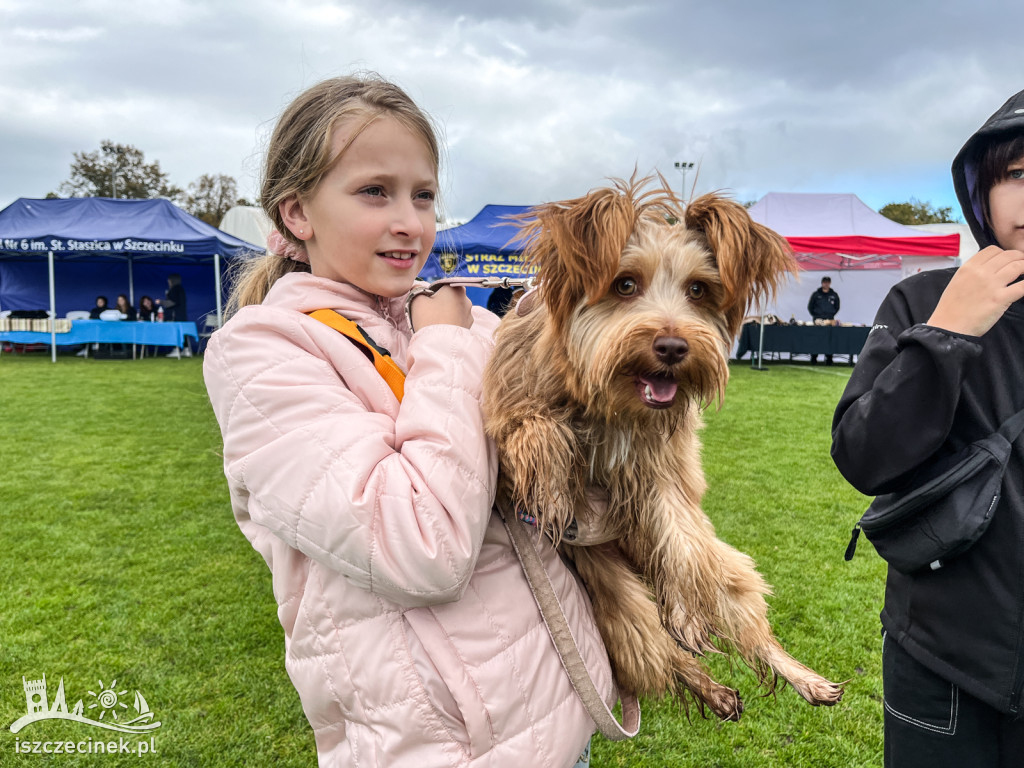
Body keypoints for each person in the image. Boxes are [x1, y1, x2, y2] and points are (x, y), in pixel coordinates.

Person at [202, 74, 614, 768]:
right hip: (444, 748)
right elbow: (421, 549)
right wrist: (450, 347)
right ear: (297, 212)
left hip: (559, 714)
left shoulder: (467, 324)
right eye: (375, 192)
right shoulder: (262, 350)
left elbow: (580, 512)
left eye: (423, 195)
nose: (412, 221)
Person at [831, 88, 1024, 767]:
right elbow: (863, 454)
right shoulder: (922, 298)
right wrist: (947, 333)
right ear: (981, 190)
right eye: (1018, 174)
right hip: (939, 662)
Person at [807, 275, 840, 364]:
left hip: (829, 320)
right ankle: (814, 357)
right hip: (818, 320)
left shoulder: (834, 295)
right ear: (822, 283)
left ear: (830, 283)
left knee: (829, 339)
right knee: (816, 339)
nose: (826, 284)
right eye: (824, 282)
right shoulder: (816, 294)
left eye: (827, 282)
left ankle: (829, 358)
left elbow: (837, 307)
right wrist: (816, 316)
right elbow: (810, 307)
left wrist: (831, 314)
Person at [159, 274, 191, 357]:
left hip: (175, 316)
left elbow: (172, 303)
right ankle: (186, 350)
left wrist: (161, 302)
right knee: (182, 332)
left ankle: (176, 350)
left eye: (169, 281)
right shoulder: (181, 289)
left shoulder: (174, 289)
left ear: (172, 280)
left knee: (175, 332)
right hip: (181, 315)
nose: (168, 282)